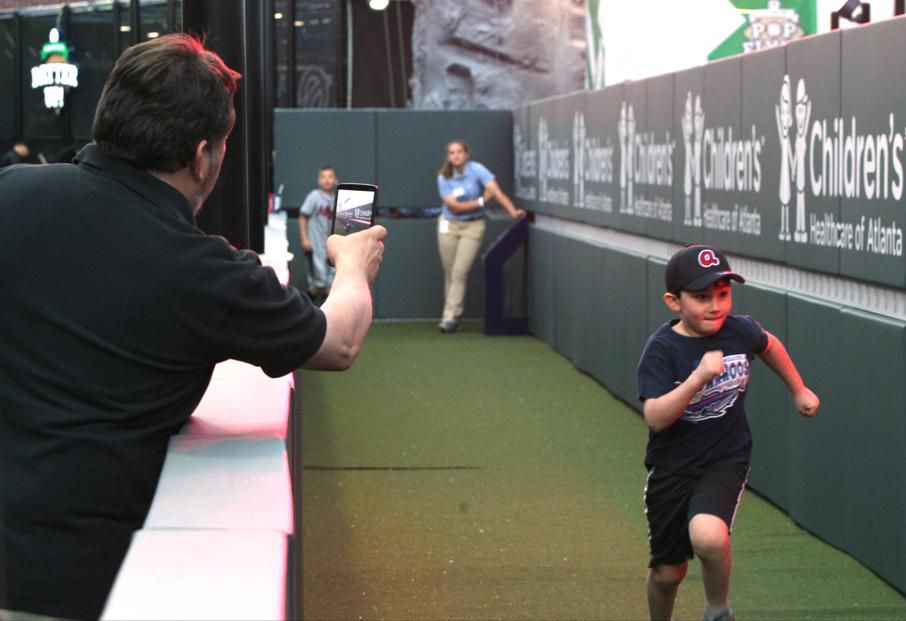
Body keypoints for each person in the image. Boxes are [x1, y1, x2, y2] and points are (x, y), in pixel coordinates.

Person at [0, 33, 385, 621]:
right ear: (204, 155)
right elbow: (339, 340)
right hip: (78, 583)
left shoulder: (11, 193)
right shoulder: (203, 271)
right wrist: (353, 267)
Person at [636, 244, 819, 621]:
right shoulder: (662, 349)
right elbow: (655, 417)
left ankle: (718, 612)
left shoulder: (739, 330)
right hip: (672, 468)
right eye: (701, 297)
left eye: (723, 294)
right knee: (668, 574)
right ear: (674, 302)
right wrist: (698, 377)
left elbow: (769, 345)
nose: (715, 305)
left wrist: (798, 388)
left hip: (725, 459)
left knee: (708, 536)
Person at [435, 140, 524, 333]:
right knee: (451, 273)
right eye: (451, 153)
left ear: (467, 154)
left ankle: (449, 317)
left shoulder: (477, 169)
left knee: (459, 272)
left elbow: (496, 191)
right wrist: (482, 200)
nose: (456, 155)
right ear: (448, 156)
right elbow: (454, 206)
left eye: (459, 152)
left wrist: (513, 211)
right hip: (448, 225)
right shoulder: (443, 176)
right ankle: (454, 315)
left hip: (473, 226)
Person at [299, 166, 338, 305]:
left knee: (330, 285)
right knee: (318, 284)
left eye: (330, 176)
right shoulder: (314, 196)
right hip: (316, 246)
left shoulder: (337, 199)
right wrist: (304, 239)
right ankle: (302, 311)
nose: (327, 180)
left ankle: (323, 317)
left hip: (331, 247)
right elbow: (303, 216)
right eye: (323, 176)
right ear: (318, 180)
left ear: (336, 180)